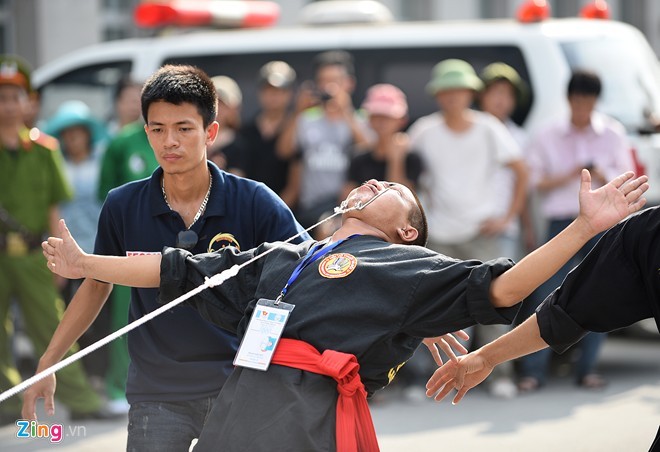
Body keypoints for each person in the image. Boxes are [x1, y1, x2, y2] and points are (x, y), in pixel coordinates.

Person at [42, 168, 648, 450]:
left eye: (392, 192)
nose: (374, 186)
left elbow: (508, 289)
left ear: (409, 232)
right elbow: (173, 269)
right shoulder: (281, 256)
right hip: (233, 423)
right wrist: (86, 264)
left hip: (308, 430)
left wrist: (582, 228)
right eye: (372, 183)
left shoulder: (412, 269)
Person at [22, 64, 310, 451]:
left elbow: (311, 269)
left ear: (211, 132)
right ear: (146, 133)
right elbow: (96, 285)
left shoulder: (255, 200)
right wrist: (49, 361)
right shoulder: (123, 204)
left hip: (239, 387)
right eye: (158, 129)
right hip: (156, 394)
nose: (169, 141)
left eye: (183, 128)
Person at [424, 205, 658, 450]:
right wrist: (486, 357)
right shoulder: (647, 234)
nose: (378, 183)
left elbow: (509, 294)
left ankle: (583, 370)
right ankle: (537, 373)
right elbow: (563, 312)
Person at [0, 55, 116, 424]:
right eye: (1, 98)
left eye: (15, 97)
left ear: (29, 103)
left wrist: (58, 258)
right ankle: (6, 403)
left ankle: (81, 400)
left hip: (34, 255)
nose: (8, 105)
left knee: (55, 328)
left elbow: (54, 208)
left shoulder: (45, 149)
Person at [409, 58, 528, 398]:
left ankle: (500, 374)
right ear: (437, 96)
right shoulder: (424, 131)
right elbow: (405, 176)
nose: (453, 98)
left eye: (459, 91)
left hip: (483, 231)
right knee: (435, 311)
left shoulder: (488, 126)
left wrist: (507, 217)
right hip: (439, 233)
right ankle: (434, 378)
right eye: (446, 92)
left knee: (497, 304)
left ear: (470, 94)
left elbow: (521, 170)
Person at [518, 69, 635, 392]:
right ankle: (534, 371)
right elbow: (533, 182)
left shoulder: (612, 133)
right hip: (563, 221)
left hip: (600, 223)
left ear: (596, 101)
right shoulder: (548, 133)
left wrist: (601, 173)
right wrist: (569, 174)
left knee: (603, 293)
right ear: (569, 99)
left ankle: (587, 370)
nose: (583, 106)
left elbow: (626, 176)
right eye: (578, 99)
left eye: (588, 100)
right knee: (545, 293)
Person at [44, 99, 109, 381]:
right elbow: (52, 206)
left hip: (99, 246)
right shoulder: (55, 163)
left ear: (86, 133)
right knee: (71, 315)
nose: (72, 138)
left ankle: (100, 375)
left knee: (101, 315)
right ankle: (78, 377)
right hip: (68, 248)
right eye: (66, 132)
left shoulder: (103, 159)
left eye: (77, 131)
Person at [277, 49, 372, 228]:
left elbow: (370, 151)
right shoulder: (306, 119)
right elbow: (283, 151)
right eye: (323, 81)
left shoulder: (361, 119)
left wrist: (346, 112)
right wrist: (298, 110)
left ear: (349, 83)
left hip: (347, 209)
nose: (329, 87)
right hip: (310, 207)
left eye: (335, 81)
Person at [340, 83, 422, 201]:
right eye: (376, 116)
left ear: (402, 120)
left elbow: (402, 202)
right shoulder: (359, 157)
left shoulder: (411, 159)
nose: (381, 122)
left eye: (387, 116)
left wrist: (396, 160)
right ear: (369, 118)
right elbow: (347, 199)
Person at [238, 61, 298, 207]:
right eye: (268, 90)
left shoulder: (297, 130)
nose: (273, 96)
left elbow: (295, 186)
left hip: (286, 212)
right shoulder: (246, 131)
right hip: (250, 208)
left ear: (289, 94)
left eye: (279, 91)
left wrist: (276, 212)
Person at [207, 75, 247, 175]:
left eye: (221, 103)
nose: (216, 108)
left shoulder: (239, 145)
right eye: (212, 101)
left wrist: (220, 172)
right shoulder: (193, 137)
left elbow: (237, 183)